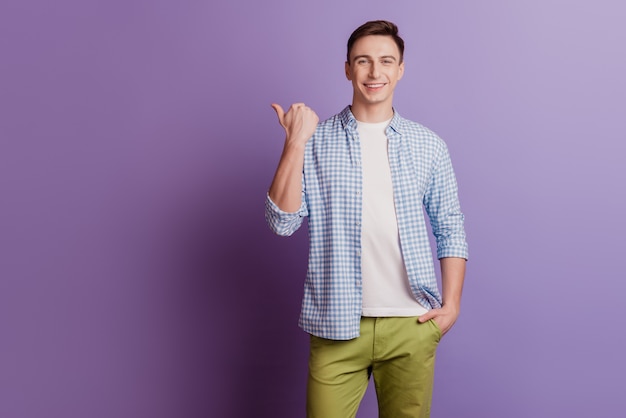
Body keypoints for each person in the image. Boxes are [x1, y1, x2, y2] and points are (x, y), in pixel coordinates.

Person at [265, 20, 468, 418]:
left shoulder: (428, 145)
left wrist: (452, 306)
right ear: (347, 69)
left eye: (386, 61)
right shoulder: (316, 140)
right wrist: (294, 142)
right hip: (336, 325)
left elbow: (450, 226)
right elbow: (281, 223)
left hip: (411, 324)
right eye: (363, 61)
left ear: (400, 69)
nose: (375, 73)